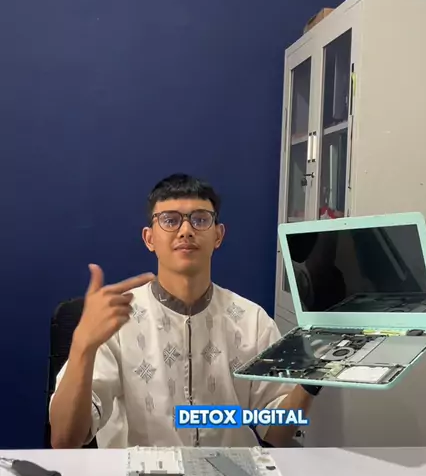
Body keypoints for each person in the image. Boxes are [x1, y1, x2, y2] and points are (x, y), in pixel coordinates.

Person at [49, 174, 319, 449]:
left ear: (218, 235)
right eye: (170, 220)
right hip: (140, 472)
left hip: (233, 471)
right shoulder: (117, 320)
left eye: (200, 219)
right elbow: (65, 440)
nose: (186, 230)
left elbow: (276, 433)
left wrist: (311, 379)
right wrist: (82, 345)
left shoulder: (253, 321)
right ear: (149, 238)